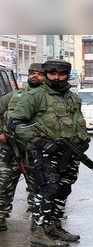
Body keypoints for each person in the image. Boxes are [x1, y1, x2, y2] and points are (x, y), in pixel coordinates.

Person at [7, 59, 90, 247]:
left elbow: (77, 121)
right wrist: (41, 142)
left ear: (68, 75)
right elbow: (15, 124)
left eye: (61, 74)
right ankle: (39, 232)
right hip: (45, 154)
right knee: (45, 191)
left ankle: (54, 226)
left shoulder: (73, 97)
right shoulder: (34, 96)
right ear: (46, 75)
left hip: (69, 153)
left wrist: (82, 141)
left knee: (63, 190)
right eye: (52, 74)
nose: (57, 78)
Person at [0, 63, 44, 231]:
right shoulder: (14, 95)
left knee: (38, 187)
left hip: (37, 151)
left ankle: (40, 221)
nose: (34, 76)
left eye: (39, 74)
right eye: (32, 73)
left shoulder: (50, 98)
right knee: (3, 186)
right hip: (10, 149)